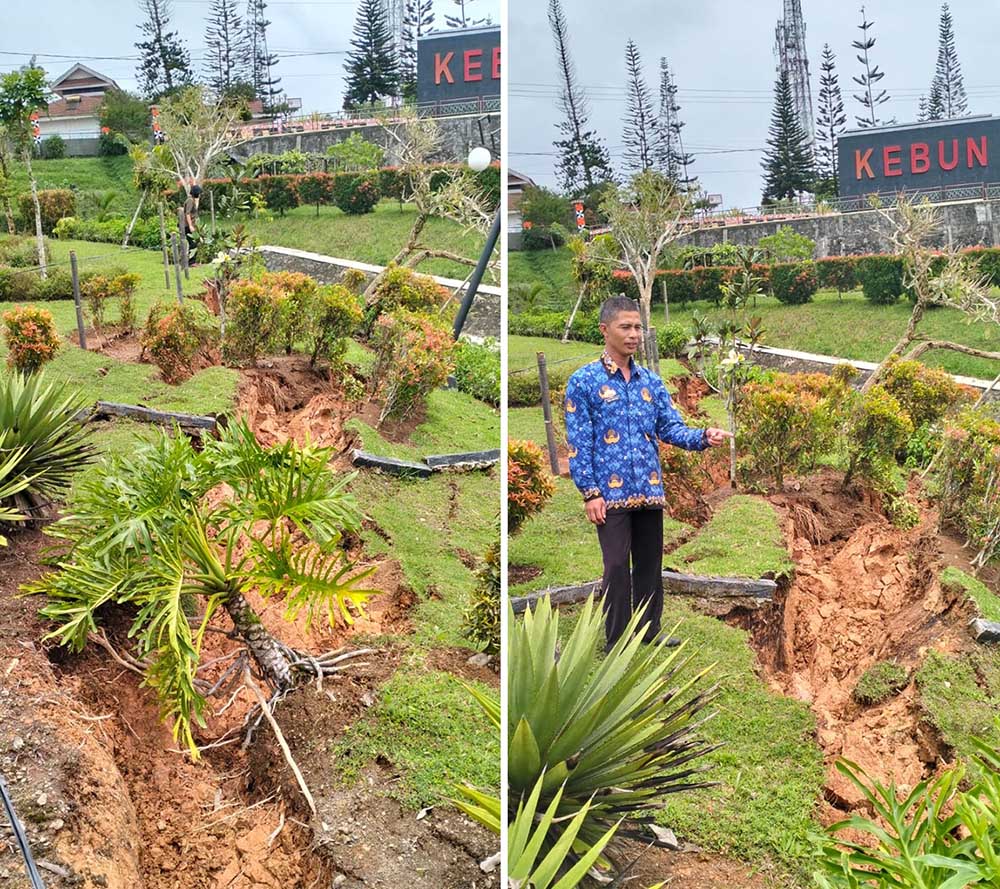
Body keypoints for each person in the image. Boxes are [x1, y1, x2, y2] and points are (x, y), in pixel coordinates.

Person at [564, 295, 732, 652]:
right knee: (614, 568)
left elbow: (671, 429)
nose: (634, 334)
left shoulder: (651, 383)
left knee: (649, 565)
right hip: (609, 497)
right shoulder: (583, 382)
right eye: (626, 327)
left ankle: (648, 629)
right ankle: (617, 640)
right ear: (604, 330)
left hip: (650, 489)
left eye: (638, 327)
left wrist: (703, 436)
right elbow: (579, 443)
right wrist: (590, 492)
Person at [182, 184, 202, 260]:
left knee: (194, 242)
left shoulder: (192, 200)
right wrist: (190, 226)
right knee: (192, 243)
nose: (199, 195)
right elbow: (187, 213)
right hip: (186, 226)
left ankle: (192, 260)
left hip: (190, 225)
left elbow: (195, 209)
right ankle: (191, 261)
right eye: (199, 193)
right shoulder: (190, 201)